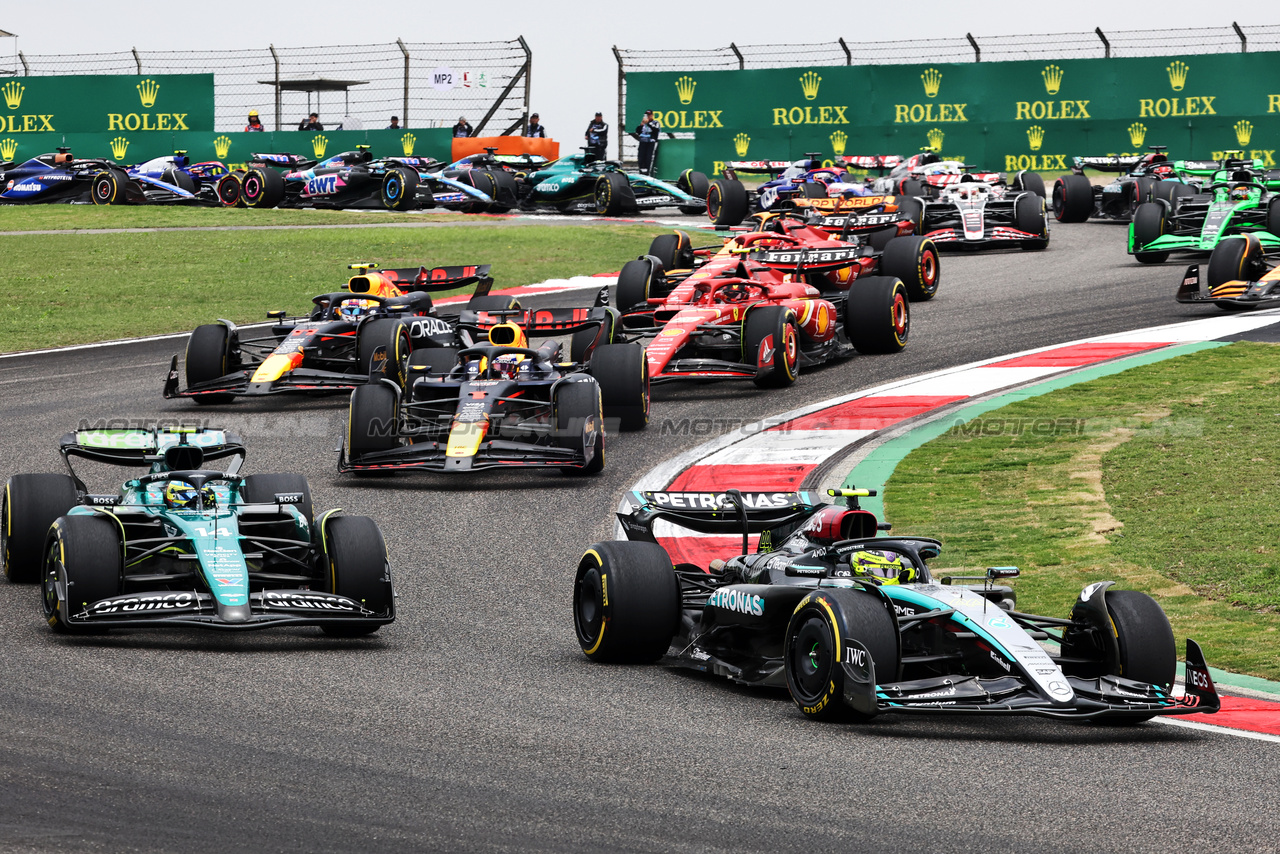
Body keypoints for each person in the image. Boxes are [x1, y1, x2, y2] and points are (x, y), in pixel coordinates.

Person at [635, 109, 661, 175]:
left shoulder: (655, 123)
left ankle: (648, 172)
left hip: (650, 142)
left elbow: (656, 130)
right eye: (647, 115)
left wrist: (648, 123)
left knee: (648, 158)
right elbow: (638, 131)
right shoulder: (643, 123)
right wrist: (642, 124)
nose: (648, 117)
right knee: (641, 158)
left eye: (649, 115)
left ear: (652, 115)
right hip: (643, 142)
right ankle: (641, 171)